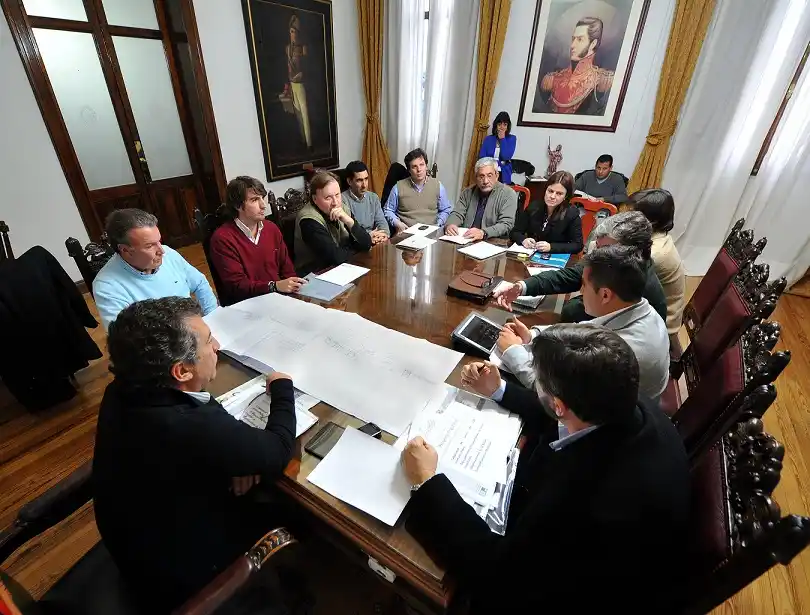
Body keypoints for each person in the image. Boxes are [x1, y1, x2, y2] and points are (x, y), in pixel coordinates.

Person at [402, 324, 690, 613]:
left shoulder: (582, 504)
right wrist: (499, 390)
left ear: (559, 404)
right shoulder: (622, 398)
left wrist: (427, 483)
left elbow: (497, 574)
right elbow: (562, 416)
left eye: (539, 383)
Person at [93, 297, 297, 612]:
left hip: (136, 536)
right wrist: (283, 388)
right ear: (182, 370)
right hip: (183, 572)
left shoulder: (122, 390)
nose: (216, 345)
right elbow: (277, 451)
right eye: (207, 341)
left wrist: (231, 457)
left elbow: (188, 445)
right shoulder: (187, 423)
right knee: (293, 511)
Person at [496, 244, 669, 400]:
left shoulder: (618, 352)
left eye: (584, 285)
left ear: (605, 295)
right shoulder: (640, 308)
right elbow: (584, 330)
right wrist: (534, 335)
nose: (580, 290)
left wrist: (512, 352)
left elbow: (553, 394)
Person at [495, 211, 667, 323]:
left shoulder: (638, 288)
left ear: (629, 252)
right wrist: (521, 287)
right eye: (598, 247)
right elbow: (568, 276)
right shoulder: (615, 262)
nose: (596, 253)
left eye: (605, 248)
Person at [93, 208, 217, 330]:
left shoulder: (168, 253)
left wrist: (212, 321)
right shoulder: (107, 286)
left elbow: (200, 284)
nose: (161, 250)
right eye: (150, 245)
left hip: (196, 328)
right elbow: (125, 339)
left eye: (159, 241)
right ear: (125, 250)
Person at [209, 176, 307, 305]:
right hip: (247, 307)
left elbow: (287, 269)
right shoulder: (222, 239)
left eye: (263, 198)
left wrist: (293, 290)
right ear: (238, 205)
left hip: (279, 299)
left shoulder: (271, 228)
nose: (263, 205)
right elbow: (237, 286)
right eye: (254, 200)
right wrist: (274, 286)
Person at [626, 189, 685, 337]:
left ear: (651, 220)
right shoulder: (655, 237)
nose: (627, 218)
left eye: (633, 215)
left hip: (658, 325)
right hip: (650, 311)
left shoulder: (655, 252)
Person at [294, 171, 372, 275]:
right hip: (315, 274)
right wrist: (356, 250)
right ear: (315, 199)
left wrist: (349, 221)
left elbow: (366, 243)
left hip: (343, 268)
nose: (335, 202)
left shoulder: (342, 208)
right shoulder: (308, 220)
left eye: (337, 195)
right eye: (328, 198)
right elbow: (335, 257)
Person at [534, 17, 614, 115]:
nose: (572, 45)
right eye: (573, 39)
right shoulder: (551, 80)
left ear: (593, 44)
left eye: (580, 39)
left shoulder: (603, 81)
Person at [509, 169, 582, 253]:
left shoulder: (571, 214)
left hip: (555, 259)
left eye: (559, 193)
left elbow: (577, 245)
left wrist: (551, 247)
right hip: (530, 255)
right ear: (545, 190)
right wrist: (523, 240)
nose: (552, 196)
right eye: (550, 191)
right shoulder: (534, 207)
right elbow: (514, 232)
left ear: (566, 196)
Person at [444, 157, 517, 240]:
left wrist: (483, 233)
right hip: (466, 239)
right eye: (481, 176)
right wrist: (451, 224)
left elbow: (506, 224)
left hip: (492, 242)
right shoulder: (468, 192)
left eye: (489, 176)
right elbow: (457, 213)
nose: (485, 181)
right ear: (476, 178)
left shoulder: (508, 194)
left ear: (497, 176)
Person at [383, 148, 452, 232]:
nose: (419, 170)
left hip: (431, 233)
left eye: (421, 165)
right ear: (409, 170)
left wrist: (438, 224)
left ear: (426, 166)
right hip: (406, 233)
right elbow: (388, 210)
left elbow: (446, 209)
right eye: (414, 167)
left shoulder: (438, 186)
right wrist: (398, 224)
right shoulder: (398, 187)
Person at [341, 160, 389, 244]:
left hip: (376, 242)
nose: (364, 185)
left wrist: (383, 235)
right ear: (349, 181)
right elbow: (347, 234)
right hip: (356, 246)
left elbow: (382, 223)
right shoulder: (342, 200)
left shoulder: (373, 197)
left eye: (366, 179)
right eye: (359, 180)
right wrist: (369, 236)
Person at [478, 111, 517, 184]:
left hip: (503, 172)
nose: (502, 127)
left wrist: (502, 138)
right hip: (489, 170)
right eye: (499, 124)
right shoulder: (488, 139)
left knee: (500, 192)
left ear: (508, 127)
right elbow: (482, 158)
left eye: (505, 125)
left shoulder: (512, 139)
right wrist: (492, 165)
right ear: (496, 126)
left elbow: (506, 156)